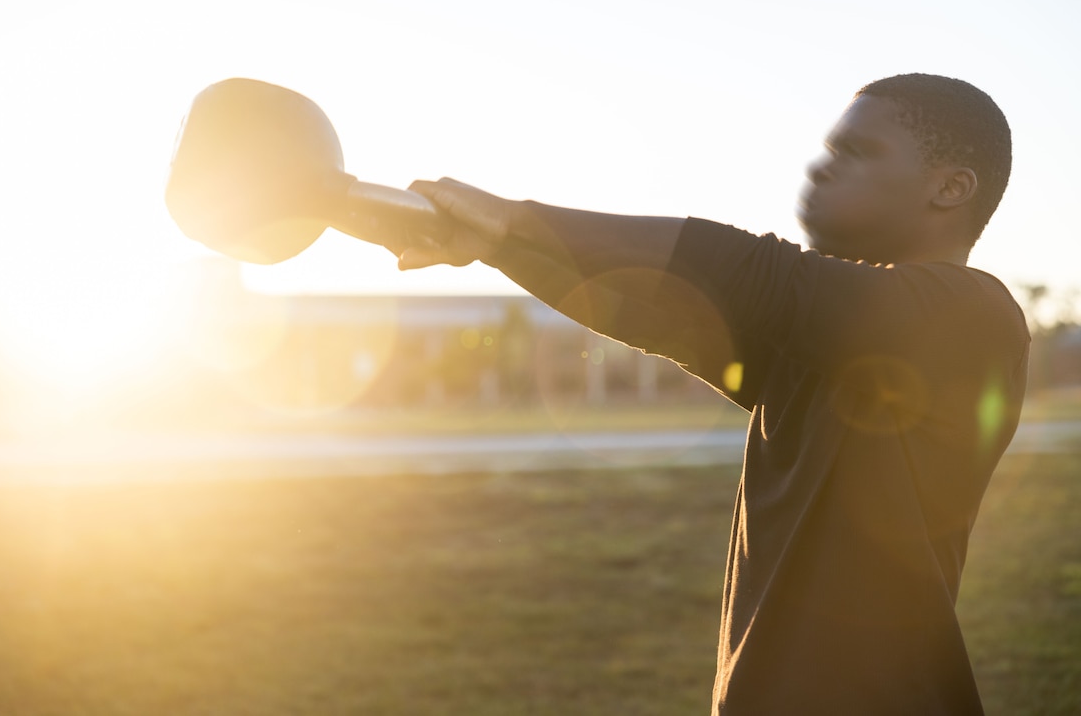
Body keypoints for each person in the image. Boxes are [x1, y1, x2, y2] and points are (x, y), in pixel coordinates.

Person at [392, 73, 1029, 715]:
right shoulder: (834, 346)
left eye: (858, 153)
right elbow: (656, 309)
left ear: (951, 187)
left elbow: (746, 270)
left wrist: (513, 218)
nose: (823, 170)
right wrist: (499, 246)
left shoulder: (970, 315)